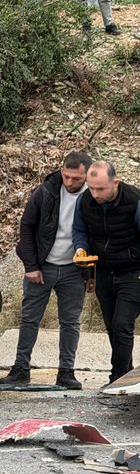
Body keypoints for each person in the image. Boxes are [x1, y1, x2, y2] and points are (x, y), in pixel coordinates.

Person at [1, 152, 93, 389]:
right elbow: (27, 226)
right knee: (30, 319)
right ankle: (20, 369)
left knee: (71, 322)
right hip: (43, 266)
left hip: (75, 269)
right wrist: (31, 266)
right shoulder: (46, 191)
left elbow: (100, 236)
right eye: (66, 177)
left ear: (87, 176)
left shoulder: (94, 196)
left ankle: (66, 372)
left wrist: (91, 274)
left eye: (76, 179)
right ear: (61, 171)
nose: (70, 183)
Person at [73, 160, 140, 385]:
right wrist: (81, 249)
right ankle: (126, 372)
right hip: (102, 272)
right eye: (91, 188)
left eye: (100, 188)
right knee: (112, 325)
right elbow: (80, 229)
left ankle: (117, 378)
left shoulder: (134, 200)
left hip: (132, 272)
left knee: (123, 325)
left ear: (116, 183)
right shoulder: (85, 201)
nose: (95, 194)